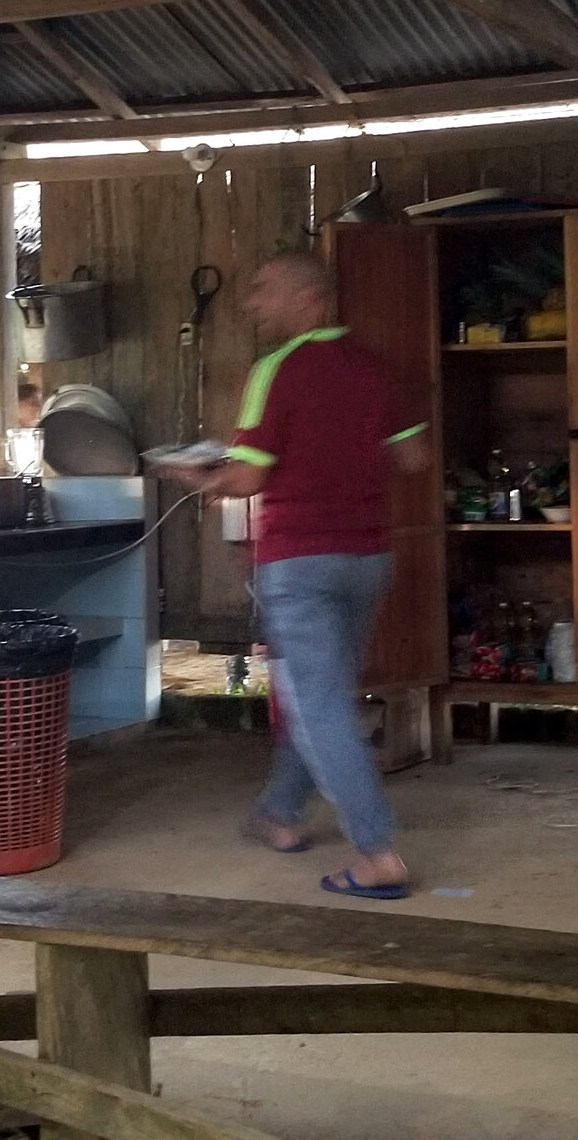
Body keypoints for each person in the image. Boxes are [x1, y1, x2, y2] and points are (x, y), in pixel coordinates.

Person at [158, 251, 428, 900]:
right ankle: (280, 813)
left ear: (309, 299)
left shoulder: (274, 371)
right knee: (325, 694)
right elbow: (413, 455)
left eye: (264, 290)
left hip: (299, 561)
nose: (253, 303)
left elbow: (249, 476)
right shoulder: (375, 369)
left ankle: (376, 851)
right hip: (367, 557)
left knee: (317, 706)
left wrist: (201, 477)